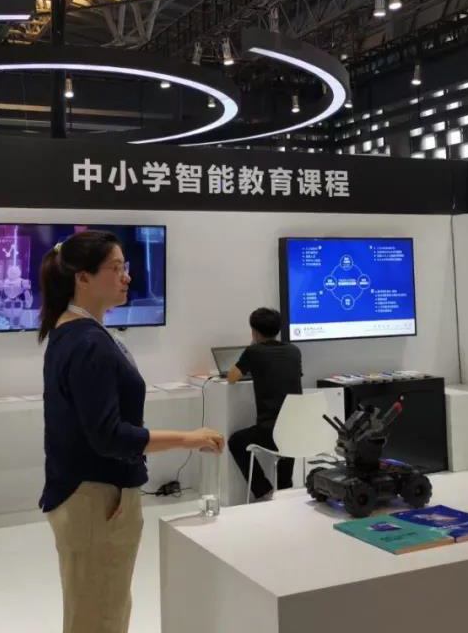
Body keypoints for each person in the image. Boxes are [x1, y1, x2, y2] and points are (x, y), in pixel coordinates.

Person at [39, 230, 224, 633]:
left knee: (100, 608)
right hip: (98, 499)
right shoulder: (87, 341)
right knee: (100, 615)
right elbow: (108, 436)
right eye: (116, 268)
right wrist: (188, 438)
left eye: (126, 267)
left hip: (88, 493)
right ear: (82, 277)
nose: (127, 277)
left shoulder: (74, 332)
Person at [226, 308, 303, 502]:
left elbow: (232, 377)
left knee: (236, 441)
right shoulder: (294, 351)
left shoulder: (254, 351)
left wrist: (253, 348)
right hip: (297, 429)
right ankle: (285, 490)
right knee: (288, 435)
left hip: (271, 432)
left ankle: (263, 491)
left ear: (254, 331)